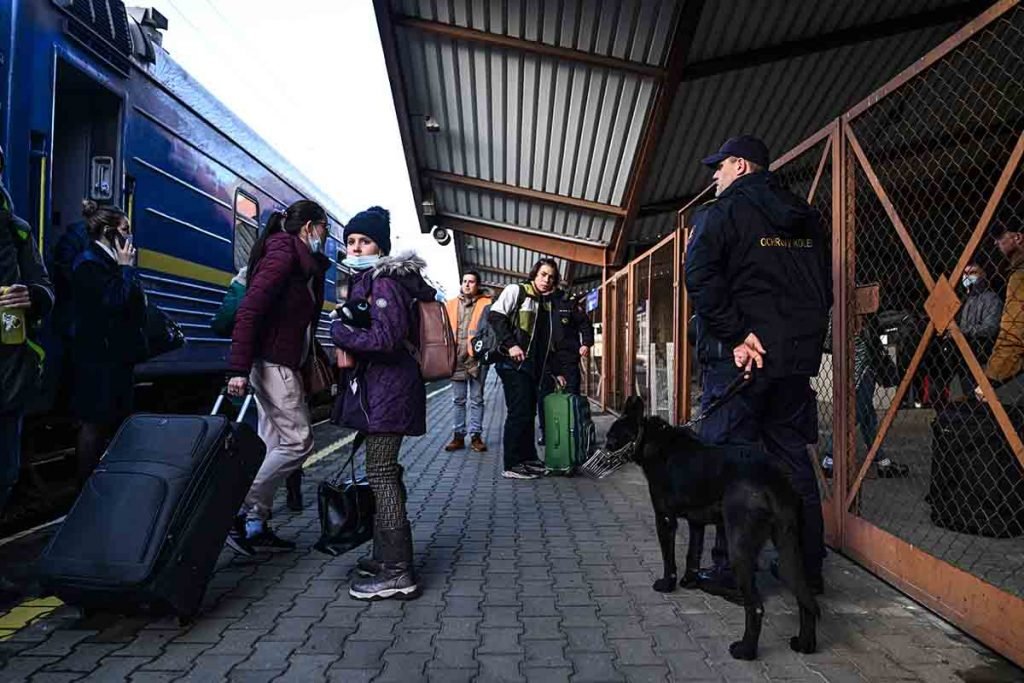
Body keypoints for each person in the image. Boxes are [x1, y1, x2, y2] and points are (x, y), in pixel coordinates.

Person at [684, 135, 832, 598]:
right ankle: (807, 570)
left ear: (742, 166)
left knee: (734, 465)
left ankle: (734, 574)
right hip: (791, 364)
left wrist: (736, 336)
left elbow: (700, 276)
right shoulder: (805, 218)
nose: (714, 176)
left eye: (720, 166)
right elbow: (821, 290)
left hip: (741, 363)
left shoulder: (721, 214)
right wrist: (798, 348)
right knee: (792, 463)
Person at [330, 206, 435, 601]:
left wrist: (340, 332)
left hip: (389, 392)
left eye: (365, 241)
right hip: (384, 391)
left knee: (382, 473)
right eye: (351, 241)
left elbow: (385, 341)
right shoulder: (371, 281)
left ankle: (397, 570)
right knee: (384, 471)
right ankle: (385, 554)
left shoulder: (385, 284)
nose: (356, 248)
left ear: (382, 246)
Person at [226, 200, 330, 554]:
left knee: (272, 444)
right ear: (310, 227)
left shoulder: (300, 261)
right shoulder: (283, 255)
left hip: (281, 361)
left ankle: (254, 526)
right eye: (324, 230)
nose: (325, 238)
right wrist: (237, 368)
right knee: (299, 440)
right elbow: (250, 309)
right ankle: (236, 507)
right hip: (272, 362)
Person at [70, 201, 147, 482]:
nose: (129, 236)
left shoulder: (104, 261)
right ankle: (85, 490)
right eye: (125, 229)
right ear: (108, 231)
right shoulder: (90, 263)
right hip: (98, 358)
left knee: (108, 422)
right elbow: (114, 303)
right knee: (95, 424)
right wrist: (126, 269)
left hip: (112, 356)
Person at [0, 185, 54, 513]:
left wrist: (31, 295)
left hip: (7, 372)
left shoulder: (16, 229)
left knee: (4, 472)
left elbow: (45, 288)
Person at [489, 258, 566, 480]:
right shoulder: (517, 291)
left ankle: (528, 459)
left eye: (551, 276)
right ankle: (512, 464)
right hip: (512, 364)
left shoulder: (547, 303)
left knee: (528, 414)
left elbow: (545, 343)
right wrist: (511, 344)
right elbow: (495, 316)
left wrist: (556, 371)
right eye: (543, 274)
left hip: (533, 367)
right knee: (519, 413)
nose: (547, 279)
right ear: (534, 274)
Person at [444, 271, 492, 453]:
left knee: (477, 399)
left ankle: (476, 436)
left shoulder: (487, 304)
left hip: (477, 359)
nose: (467, 284)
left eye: (471, 282)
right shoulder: (450, 304)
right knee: (458, 400)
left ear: (477, 285)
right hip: (456, 358)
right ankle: (458, 436)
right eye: (464, 281)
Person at [537, 289, 594, 443]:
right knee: (545, 396)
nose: (548, 282)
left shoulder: (568, 302)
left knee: (571, 394)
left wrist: (586, 343)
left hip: (568, 357)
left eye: (552, 278)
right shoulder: (537, 301)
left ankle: (572, 431)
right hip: (545, 359)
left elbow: (584, 323)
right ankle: (547, 432)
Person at [977, 224, 1024, 401]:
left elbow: (1013, 334)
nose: (996, 243)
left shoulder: (1020, 276)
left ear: (1017, 237)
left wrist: (989, 380)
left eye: (999, 236)